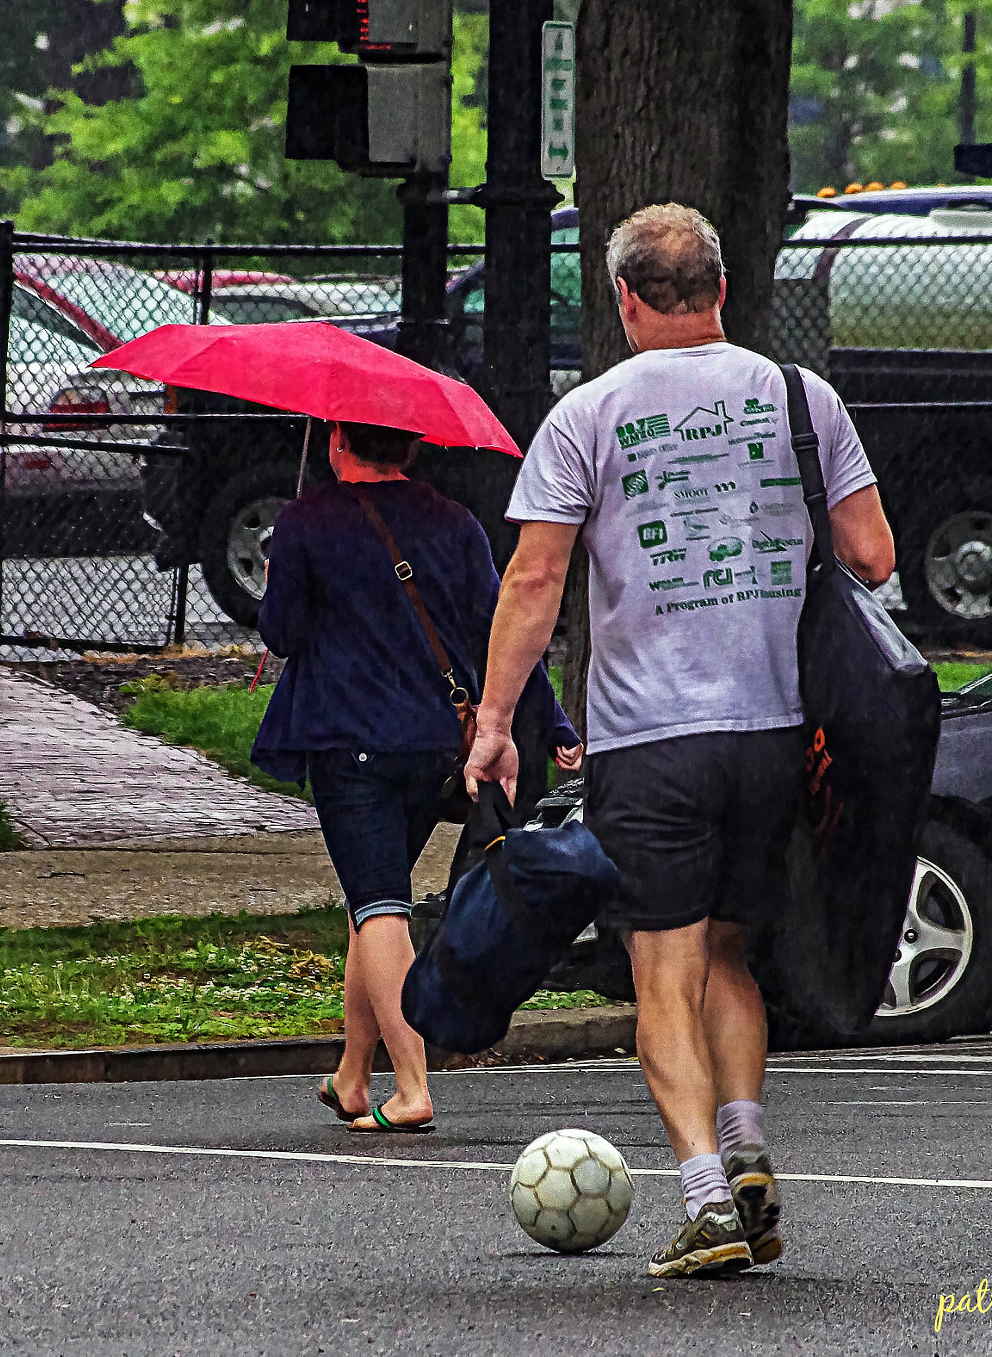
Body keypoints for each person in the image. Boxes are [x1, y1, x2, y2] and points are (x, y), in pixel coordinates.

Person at [464, 204, 896, 1276]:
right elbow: (874, 556)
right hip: (772, 729)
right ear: (719, 288)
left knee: (663, 965)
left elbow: (532, 580)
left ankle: (706, 1200)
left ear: (620, 298)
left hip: (648, 738)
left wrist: (491, 723)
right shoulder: (803, 398)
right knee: (731, 950)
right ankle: (747, 1147)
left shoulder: (585, 416)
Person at [252, 420, 581, 1134]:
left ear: (338, 441)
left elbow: (281, 632)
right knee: (373, 903)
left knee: (378, 906)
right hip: (436, 746)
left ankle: (411, 1086)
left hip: (348, 744)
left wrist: (282, 573)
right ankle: (350, 1074)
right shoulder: (455, 522)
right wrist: (554, 720)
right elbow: (502, 626)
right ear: (410, 444)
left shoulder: (305, 521)